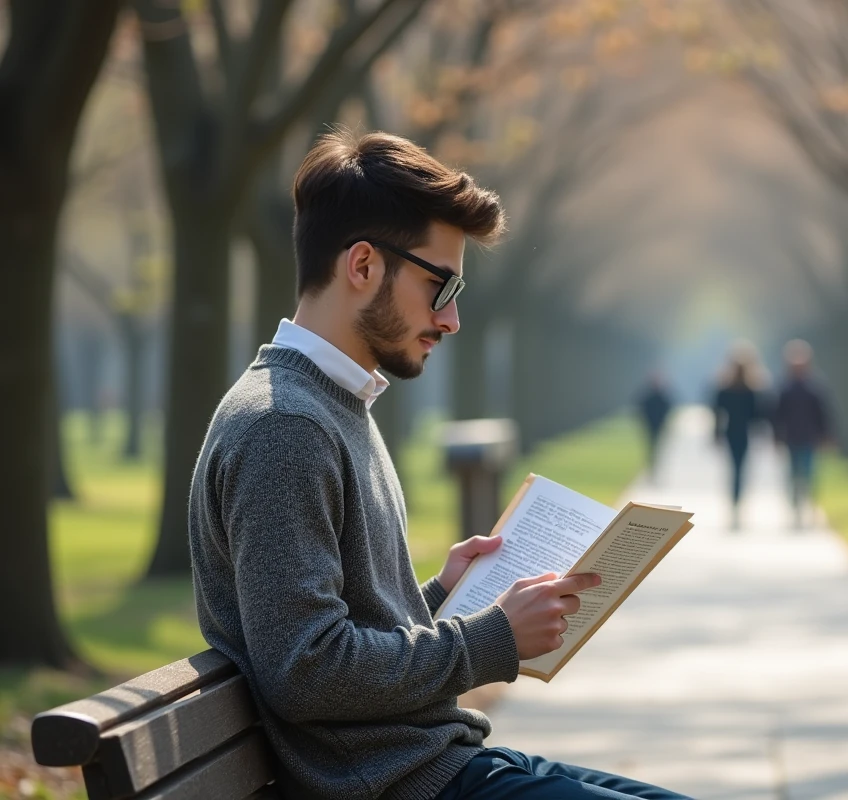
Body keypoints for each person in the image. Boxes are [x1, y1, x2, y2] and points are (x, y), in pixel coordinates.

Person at [188, 129, 691, 800]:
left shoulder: (329, 405)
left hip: (431, 761)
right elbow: (306, 669)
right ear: (362, 265)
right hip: (399, 784)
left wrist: (435, 598)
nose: (451, 320)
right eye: (441, 285)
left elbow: (325, 636)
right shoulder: (285, 425)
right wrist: (491, 636)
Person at [772, 339, 835, 528]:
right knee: (793, 473)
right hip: (791, 438)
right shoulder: (784, 388)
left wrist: (827, 435)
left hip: (809, 437)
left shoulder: (815, 387)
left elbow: (823, 413)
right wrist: (776, 436)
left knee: (808, 473)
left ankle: (808, 506)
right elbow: (777, 414)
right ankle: (795, 507)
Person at [711, 344, 768, 529]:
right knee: (738, 469)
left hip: (736, 433)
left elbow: (758, 415)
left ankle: (736, 502)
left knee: (737, 469)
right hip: (738, 434)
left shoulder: (742, 390)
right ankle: (736, 502)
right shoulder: (742, 390)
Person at [635, 370, 673, 483]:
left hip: (659, 426)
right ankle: (652, 469)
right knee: (652, 448)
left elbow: (668, 409)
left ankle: (655, 469)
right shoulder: (648, 396)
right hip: (650, 426)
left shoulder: (663, 396)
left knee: (657, 449)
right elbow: (641, 409)